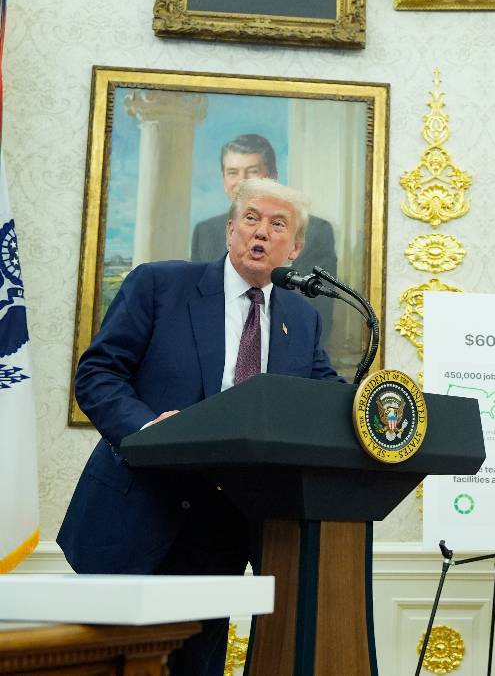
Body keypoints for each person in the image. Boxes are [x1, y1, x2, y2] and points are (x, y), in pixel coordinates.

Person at [57, 179, 340, 676]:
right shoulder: (159, 285)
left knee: (197, 667)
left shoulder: (301, 317)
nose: (261, 232)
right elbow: (98, 373)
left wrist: (374, 409)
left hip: (224, 529)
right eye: (251, 218)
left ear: (295, 249)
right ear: (230, 230)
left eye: (278, 225)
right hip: (140, 512)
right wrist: (148, 429)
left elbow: (323, 397)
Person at [191, 133, 337, 342]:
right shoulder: (205, 231)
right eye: (232, 172)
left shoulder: (315, 231)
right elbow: (198, 304)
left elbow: (316, 315)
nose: (241, 181)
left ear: (272, 176)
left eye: (252, 171)